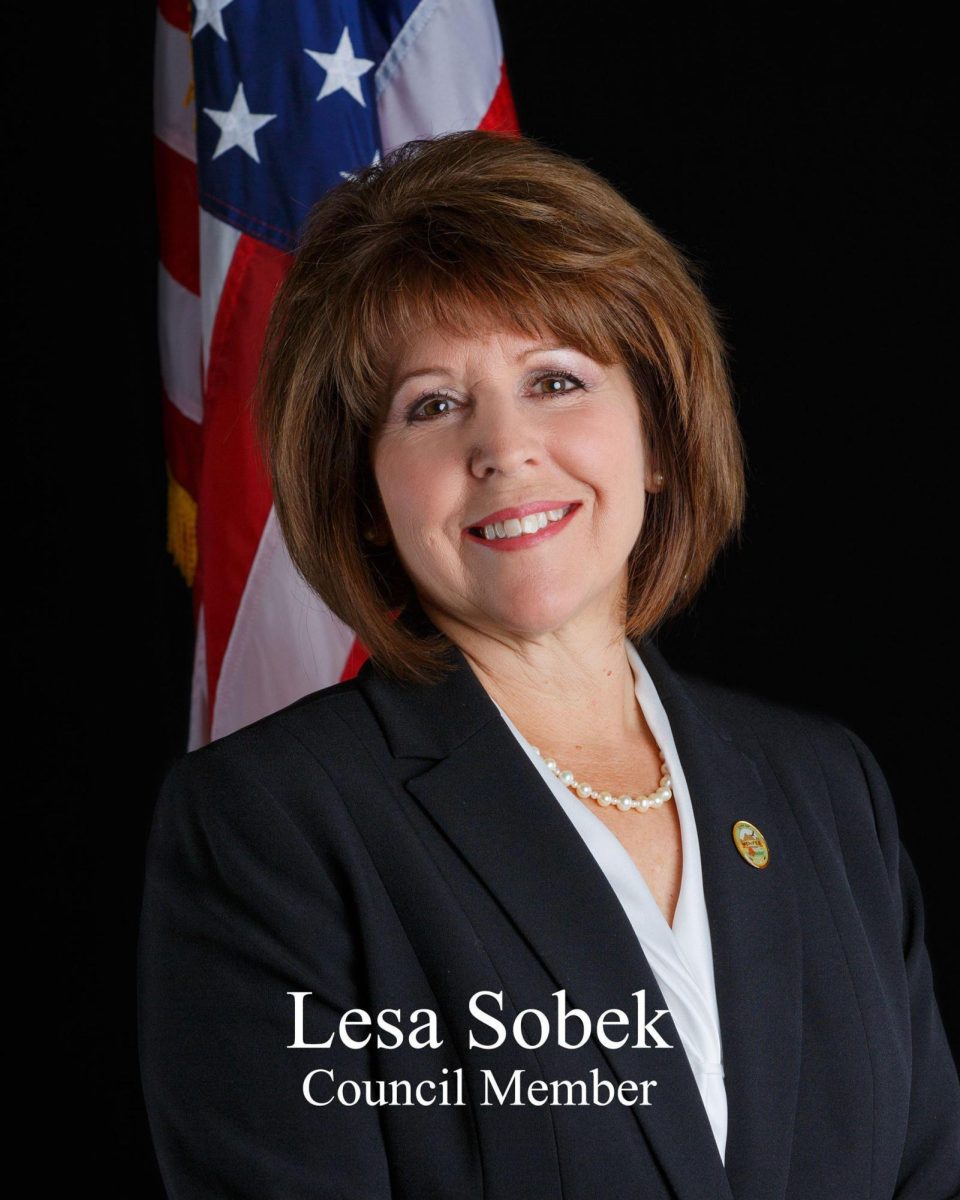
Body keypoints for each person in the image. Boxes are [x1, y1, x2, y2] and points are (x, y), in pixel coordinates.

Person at [138, 130, 960, 1199]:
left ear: (658, 438)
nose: (505, 448)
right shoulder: (273, 826)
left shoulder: (826, 790)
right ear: (370, 499)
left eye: (557, 380)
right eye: (432, 404)